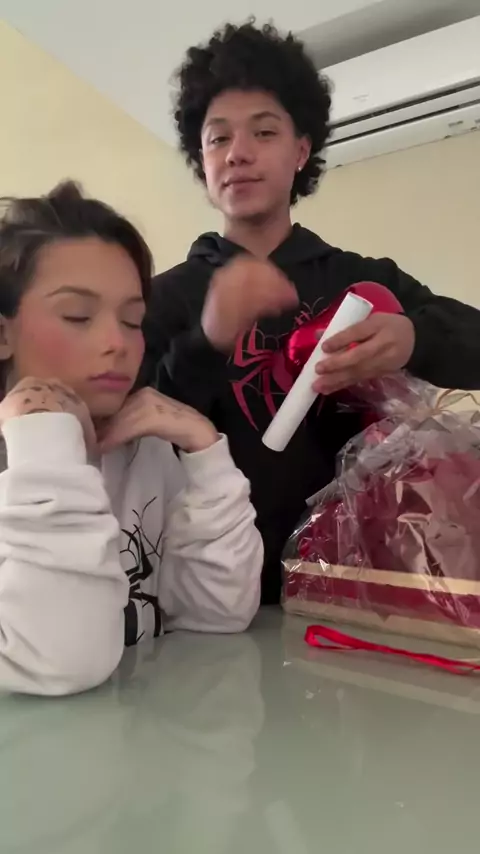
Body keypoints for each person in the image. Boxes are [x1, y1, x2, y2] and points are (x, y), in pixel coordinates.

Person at [144, 21, 480, 605]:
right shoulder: (164, 297)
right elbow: (130, 437)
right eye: (218, 139)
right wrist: (204, 343)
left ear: (300, 151)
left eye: (264, 132)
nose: (238, 153)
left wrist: (414, 338)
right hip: (203, 589)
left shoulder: (361, 280)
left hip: (357, 584)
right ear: (203, 161)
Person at [0, 181, 263, 696]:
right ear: (4, 334)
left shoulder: (146, 449)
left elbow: (216, 615)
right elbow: (60, 663)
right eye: (78, 316)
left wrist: (206, 451)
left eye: (132, 320)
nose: (117, 343)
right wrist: (46, 439)